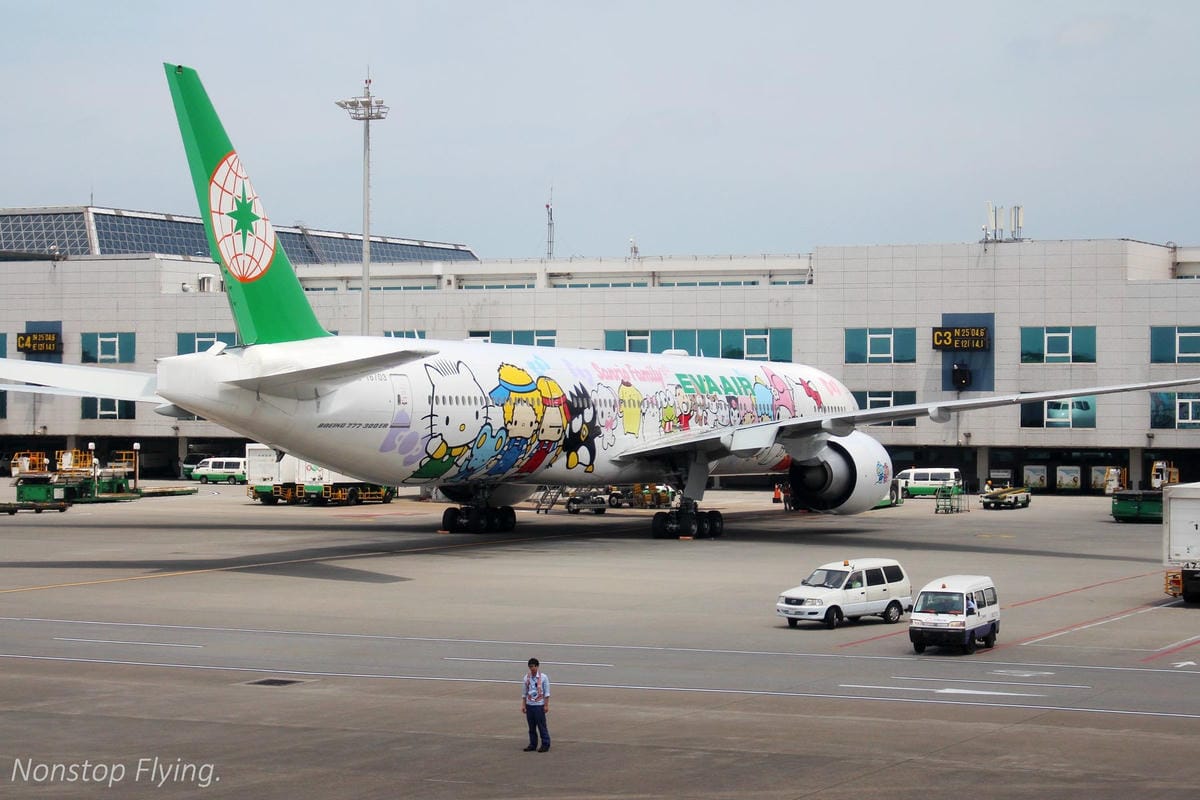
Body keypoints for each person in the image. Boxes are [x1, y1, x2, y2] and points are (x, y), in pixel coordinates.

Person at [521, 657, 551, 752]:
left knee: (541, 726)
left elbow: (546, 693)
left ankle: (545, 743)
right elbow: (524, 693)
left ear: (537, 666)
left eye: (533, 667)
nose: (532, 669)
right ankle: (533, 744)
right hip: (530, 705)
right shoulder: (526, 678)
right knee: (531, 727)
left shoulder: (543, 678)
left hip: (539, 705)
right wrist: (523, 705)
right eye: (530, 667)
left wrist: (546, 705)